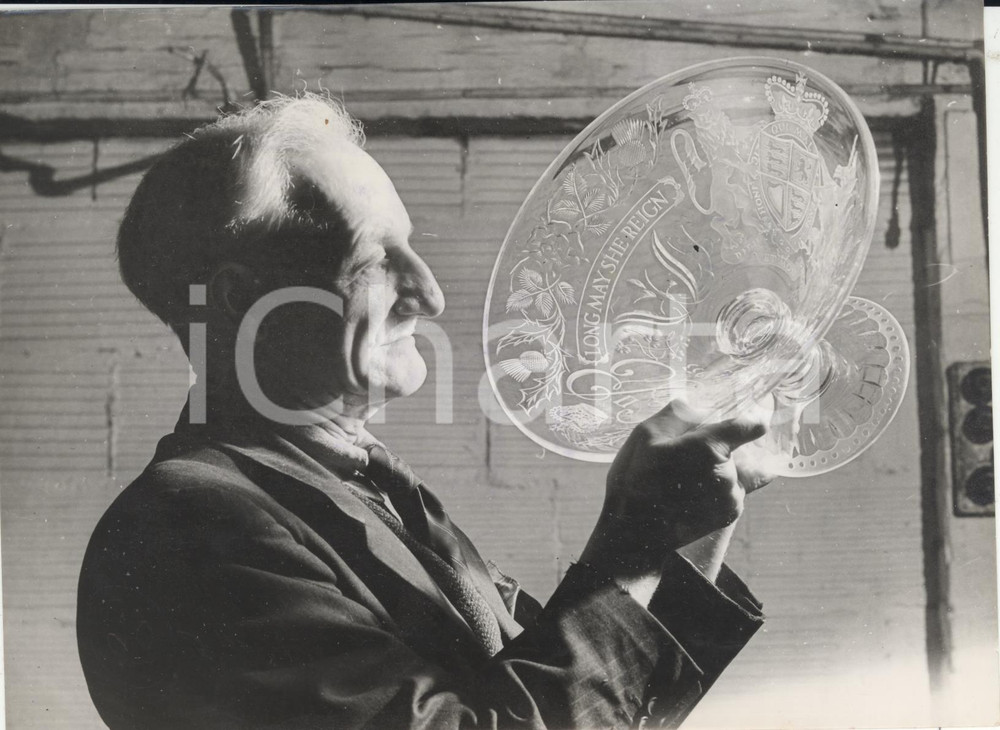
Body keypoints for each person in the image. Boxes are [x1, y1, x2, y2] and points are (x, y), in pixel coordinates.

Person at [77, 95, 771, 729]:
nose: (429, 294)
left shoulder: (371, 495)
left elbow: (603, 705)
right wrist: (637, 536)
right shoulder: (188, 526)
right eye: (373, 261)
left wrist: (700, 511)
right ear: (238, 305)